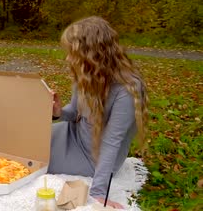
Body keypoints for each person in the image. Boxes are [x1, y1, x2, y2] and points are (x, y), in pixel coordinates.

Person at [48, 16, 148, 209]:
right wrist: (58, 112)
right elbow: (74, 114)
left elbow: (112, 143)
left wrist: (98, 193)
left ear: (93, 54)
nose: (68, 58)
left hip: (91, 158)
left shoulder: (127, 89)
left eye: (72, 53)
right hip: (72, 135)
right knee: (29, 142)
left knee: (36, 159)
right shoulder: (86, 76)